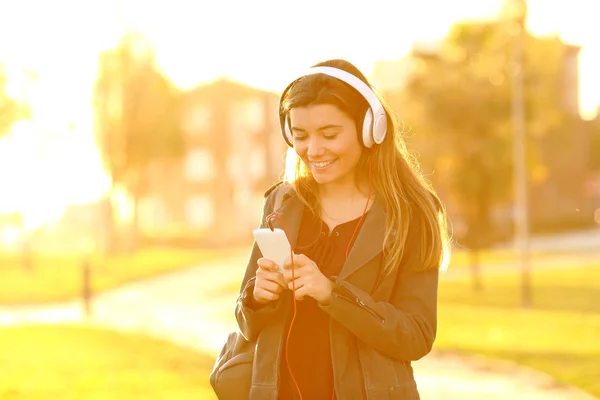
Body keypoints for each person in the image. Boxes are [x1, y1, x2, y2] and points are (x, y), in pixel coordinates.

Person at [234, 59, 450, 400]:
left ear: (370, 128)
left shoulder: (411, 214)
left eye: (330, 134)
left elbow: (416, 336)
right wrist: (258, 297)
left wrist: (332, 294)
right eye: (300, 136)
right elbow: (245, 322)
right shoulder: (281, 203)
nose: (313, 150)